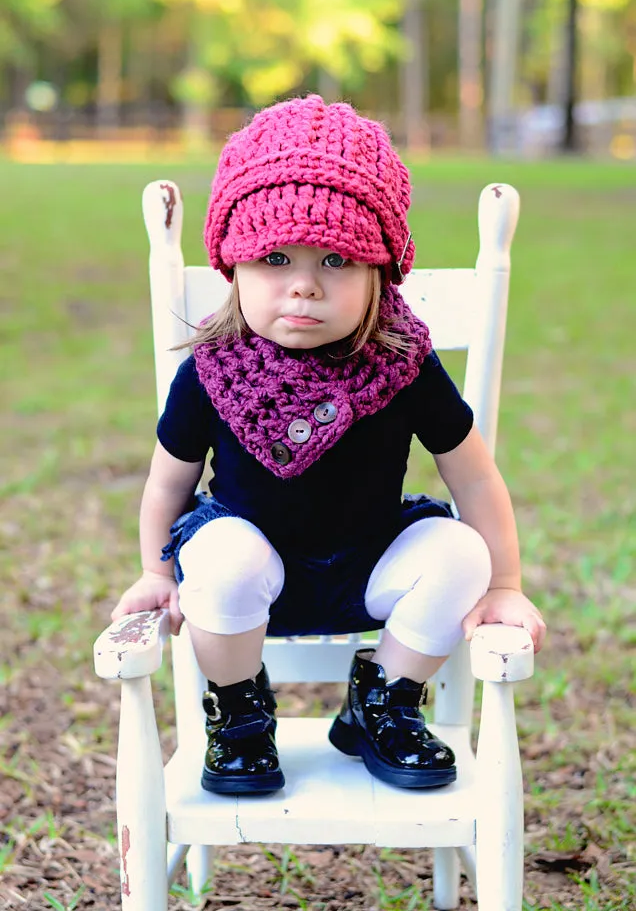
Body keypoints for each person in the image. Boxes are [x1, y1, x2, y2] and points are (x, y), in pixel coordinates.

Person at [111, 94, 546, 796]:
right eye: (276, 259)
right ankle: (242, 713)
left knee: (460, 552)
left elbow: (474, 479)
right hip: (249, 583)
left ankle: (383, 700)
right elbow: (167, 484)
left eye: (337, 259)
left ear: (380, 268)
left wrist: (503, 583)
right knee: (218, 553)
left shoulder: (402, 363)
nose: (304, 286)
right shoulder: (214, 370)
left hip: (372, 569)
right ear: (232, 265)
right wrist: (158, 575)